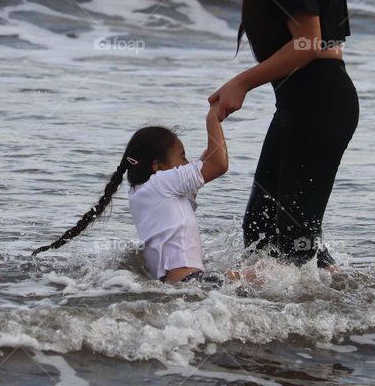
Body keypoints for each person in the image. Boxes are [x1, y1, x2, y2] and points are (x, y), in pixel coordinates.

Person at [202, 0, 359, 271]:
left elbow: (308, 41)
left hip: (320, 101)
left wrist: (243, 82)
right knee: (261, 229)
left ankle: (308, 322)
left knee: (293, 236)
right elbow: (302, 5)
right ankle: (332, 297)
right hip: (304, 102)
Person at [32, 102, 248, 284]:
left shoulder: (143, 192)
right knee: (262, 276)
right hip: (192, 280)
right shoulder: (164, 182)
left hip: (179, 283)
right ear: (158, 166)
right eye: (182, 156)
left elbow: (207, 162)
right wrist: (213, 118)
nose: (187, 163)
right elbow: (218, 164)